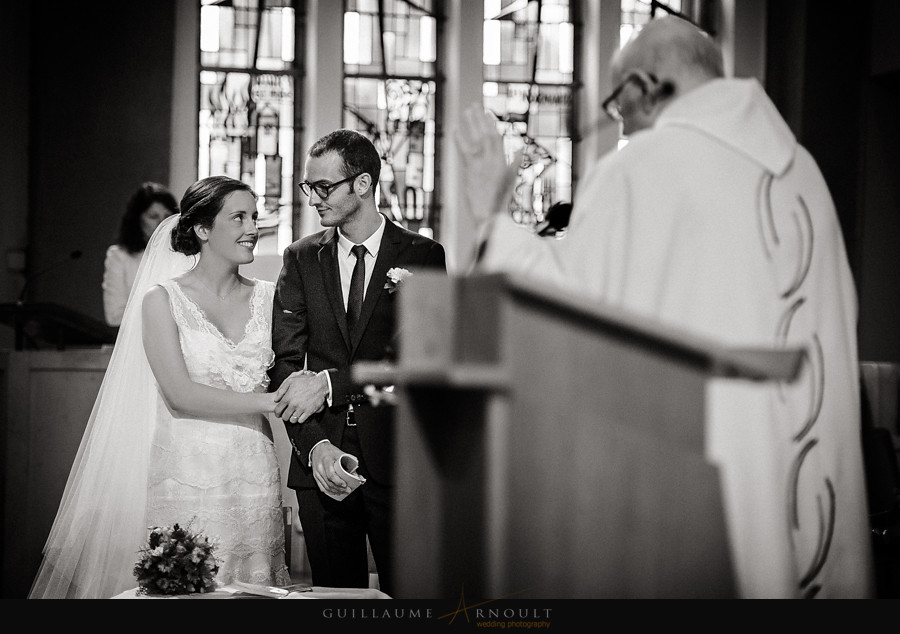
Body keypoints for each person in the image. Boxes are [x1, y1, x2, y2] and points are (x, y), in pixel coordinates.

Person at [455, 16, 873, 598]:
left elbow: (560, 310)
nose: (618, 118)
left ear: (646, 87)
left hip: (692, 512)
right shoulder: (804, 173)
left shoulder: (637, 171)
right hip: (804, 481)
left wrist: (489, 214)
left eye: (617, 98)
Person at [29, 176, 291, 599]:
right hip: (187, 471)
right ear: (203, 229)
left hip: (254, 470)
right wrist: (273, 401)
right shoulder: (161, 300)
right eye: (238, 217)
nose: (252, 228)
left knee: (254, 590)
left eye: (254, 217)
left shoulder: (269, 297)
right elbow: (179, 394)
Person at [268, 129, 447, 597]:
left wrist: (330, 382)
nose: (313, 199)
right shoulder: (301, 257)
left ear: (362, 184)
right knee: (332, 595)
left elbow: (421, 359)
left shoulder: (423, 256)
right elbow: (284, 365)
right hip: (322, 459)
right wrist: (314, 447)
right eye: (309, 188)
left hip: (398, 456)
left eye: (323, 187)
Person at [102, 182, 178, 326]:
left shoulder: (185, 255)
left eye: (168, 216)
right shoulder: (119, 256)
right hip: (137, 338)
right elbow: (114, 316)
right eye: (153, 216)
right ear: (138, 219)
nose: (162, 223)